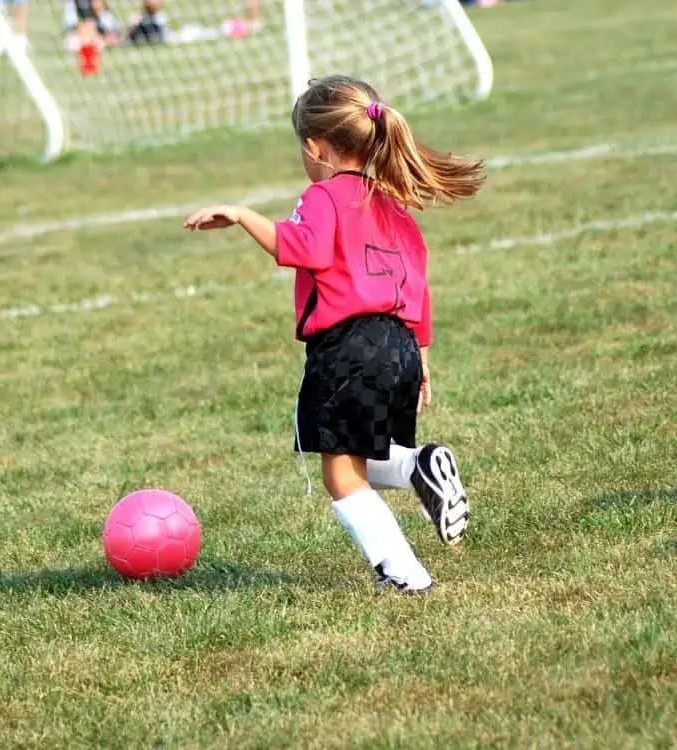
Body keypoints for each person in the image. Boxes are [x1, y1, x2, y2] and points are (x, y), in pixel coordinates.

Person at [184, 75, 481, 592]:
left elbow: (301, 249)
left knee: (341, 474)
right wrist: (422, 355)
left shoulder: (322, 196)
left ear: (313, 146)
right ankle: (420, 468)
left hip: (348, 347)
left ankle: (406, 577)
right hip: (401, 344)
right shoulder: (392, 205)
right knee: (356, 450)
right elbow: (417, 281)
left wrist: (240, 214)